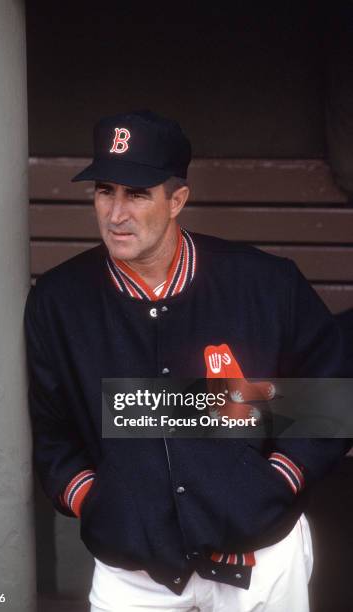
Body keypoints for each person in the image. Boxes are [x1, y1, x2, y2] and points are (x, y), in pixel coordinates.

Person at [24, 110, 350, 611]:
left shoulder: (263, 284)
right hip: (133, 570)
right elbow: (53, 432)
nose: (115, 213)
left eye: (137, 193)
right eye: (104, 190)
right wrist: (102, 504)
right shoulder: (58, 301)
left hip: (260, 558)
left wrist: (274, 481)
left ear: (177, 200)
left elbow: (329, 396)